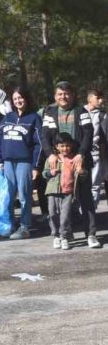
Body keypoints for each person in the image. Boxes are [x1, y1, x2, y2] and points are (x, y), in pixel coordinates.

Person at [41, 81, 100, 248]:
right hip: (58, 163)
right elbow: (45, 137)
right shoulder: (50, 113)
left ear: (72, 95)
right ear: (55, 96)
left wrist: (81, 154)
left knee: (86, 199)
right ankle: (63, 235)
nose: (63, 96)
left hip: (79, 162)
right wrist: (50, 155)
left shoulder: (81, 111)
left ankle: (91, 234)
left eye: (66, 93)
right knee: (58, 203)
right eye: (60, 94)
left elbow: (88, 134)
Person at [0, 86, 43, 240]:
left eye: (20, 98)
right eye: (15, 99)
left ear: (26, 98)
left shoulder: (34, 118)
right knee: (8, 195)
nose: (18, 101)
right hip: (8, 162)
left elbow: (39, 144)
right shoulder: (7, 117)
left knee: (24, 195)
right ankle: (9, 225)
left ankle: (25, 226)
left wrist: (36, 165)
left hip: (25, 162)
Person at [43, 133, 90, 250]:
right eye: (62, 146)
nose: (65, 148)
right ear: (56, 146)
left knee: (65, 216)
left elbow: (83, 177)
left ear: (72, 146)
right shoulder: (52, 159)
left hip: (68, 192)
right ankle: (56, 236)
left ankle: (64, 237)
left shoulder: (75, 159)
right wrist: (50, 173)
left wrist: (82, 171)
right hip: (52, 191)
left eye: (67, 146)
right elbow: (44, 173)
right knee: (52, 213)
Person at [84, 89, 106, 209]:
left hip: (95, 152)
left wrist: (102, 158)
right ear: (89, 99)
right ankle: (78, 211)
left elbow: (103, 138)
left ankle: (91, 211)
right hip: (80, 153)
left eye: (102, 97)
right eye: (97, 97)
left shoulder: (102, 115)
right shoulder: (79, 112)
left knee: (95, 185)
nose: (101, 100)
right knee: (79, 184)